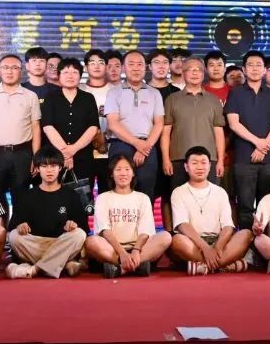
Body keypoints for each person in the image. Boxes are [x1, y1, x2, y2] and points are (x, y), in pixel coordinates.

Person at [161, 57, 226, 227]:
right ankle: (177, 236)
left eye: (198, 69)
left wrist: (220, 160)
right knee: (177, 200)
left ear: (203, 74)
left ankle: (210, 235)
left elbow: (219, 132)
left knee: (210, 202)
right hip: (178, 159)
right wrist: (166, 159)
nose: (195, 73)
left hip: (208, 160)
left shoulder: (213, 100)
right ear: (183, 74)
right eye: (190, 69)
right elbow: (166, 132)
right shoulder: (172, 99)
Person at [6, 147, 88, 279]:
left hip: (61, 243)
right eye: (44, 166)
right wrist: (20, 226)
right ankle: (62, 264)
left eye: (53, 166)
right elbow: (13, 228)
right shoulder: (27, 196)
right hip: (36, 244)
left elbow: (84, 229)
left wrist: (73, 225)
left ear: (60, 168)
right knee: (14, 236)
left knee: (79, 234)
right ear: (37, 169)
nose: (49, 170)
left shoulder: (71, 195)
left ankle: (35, 269)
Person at [86, 155, 172, 278]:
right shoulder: (102, 198)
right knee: (91, 241)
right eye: (118, 169)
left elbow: (145, 231)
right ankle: (138, 266)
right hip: (112, 248)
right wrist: (122, 253)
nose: (123, 173)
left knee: (166, 237)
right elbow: (104, 231)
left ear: (133, 173)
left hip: (139, 248)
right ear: (112, 174)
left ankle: (121, 269)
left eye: (127, 169)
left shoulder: (143, 198)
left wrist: (136, 250)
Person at [170, 146, 252, 275]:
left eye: (203, 163)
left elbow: (228, 226)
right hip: (194, 242)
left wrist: (217, 247)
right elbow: (182, 225)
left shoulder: (220, 192)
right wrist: (205, 248)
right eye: (194, 163)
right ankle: (225, 265)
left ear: (209, 166)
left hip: (219, 242)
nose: (199, 167)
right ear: (186, 167)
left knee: (246, 234)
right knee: (176, 240)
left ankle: (205, 266)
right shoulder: (178, 192)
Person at [0, 54, 41, 219]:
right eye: (6, 67)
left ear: (21, 71)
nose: (10, 71)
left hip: (22, 154)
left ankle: (17, 232)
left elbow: (35, 127)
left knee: (21, 197)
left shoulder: (30, 96)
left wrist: (35, 156)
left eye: (14, 68)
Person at [225, 50, 270, 226]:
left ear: (264, 70)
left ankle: (267, 242)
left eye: (259, 65)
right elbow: (234, 124)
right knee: (245, 207)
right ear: (244, 69)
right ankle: (245, 241)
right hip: (244, 158)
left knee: (268, 205)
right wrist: (258, 143)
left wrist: (264, 147)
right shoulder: (236, 93)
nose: (255, 68)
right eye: (250, 65)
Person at [106, 50, 165, 201]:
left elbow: (159, 123)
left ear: (146, 67)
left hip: (148, 147)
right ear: (123, 68)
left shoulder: (154, 93)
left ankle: (145, 218)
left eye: (140, 64)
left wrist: (145, 147)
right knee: (119, 191)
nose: (136, 68)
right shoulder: (114, 93)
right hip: (120, 145)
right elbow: (112, 123)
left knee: (146, 191)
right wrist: (137, 143)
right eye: (131, 64)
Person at [41, 57, 100, 195]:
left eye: (74, 72)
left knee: (83, 198)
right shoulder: (50, 97)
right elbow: (48, 126)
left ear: (80, 76)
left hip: (83, 156)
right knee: (55, 197)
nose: (70, 76)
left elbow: (93, 127)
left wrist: (73, 149)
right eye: (66, 72)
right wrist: (65, 154)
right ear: (59, 75)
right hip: (55, 158)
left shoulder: (88, 98)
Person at [81, 49, 113, 192]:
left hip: (110, 152)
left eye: (101, 62)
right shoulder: (79, 90)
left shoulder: (116, 90)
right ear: (86, 67)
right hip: (84, 152)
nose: (97, 66)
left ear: (106, 66)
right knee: (84, 196)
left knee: (108, 194)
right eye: (92, 63)